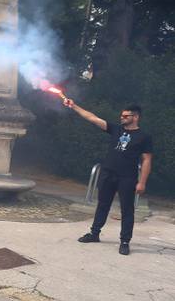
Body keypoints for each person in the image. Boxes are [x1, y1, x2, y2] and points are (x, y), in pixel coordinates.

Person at [65, 99, 153, 255]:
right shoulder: (115, 129)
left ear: (136, 117)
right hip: (108, 173)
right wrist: (74, 106)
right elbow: (92, 118)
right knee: (102, 204)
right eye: (121, 116)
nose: (122, 118)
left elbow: (147, 159)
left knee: (127, 209)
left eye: (126, 116)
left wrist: (142, 182)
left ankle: (125, 241)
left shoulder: (143, 137)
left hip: (127, 177)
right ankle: (95, 233)